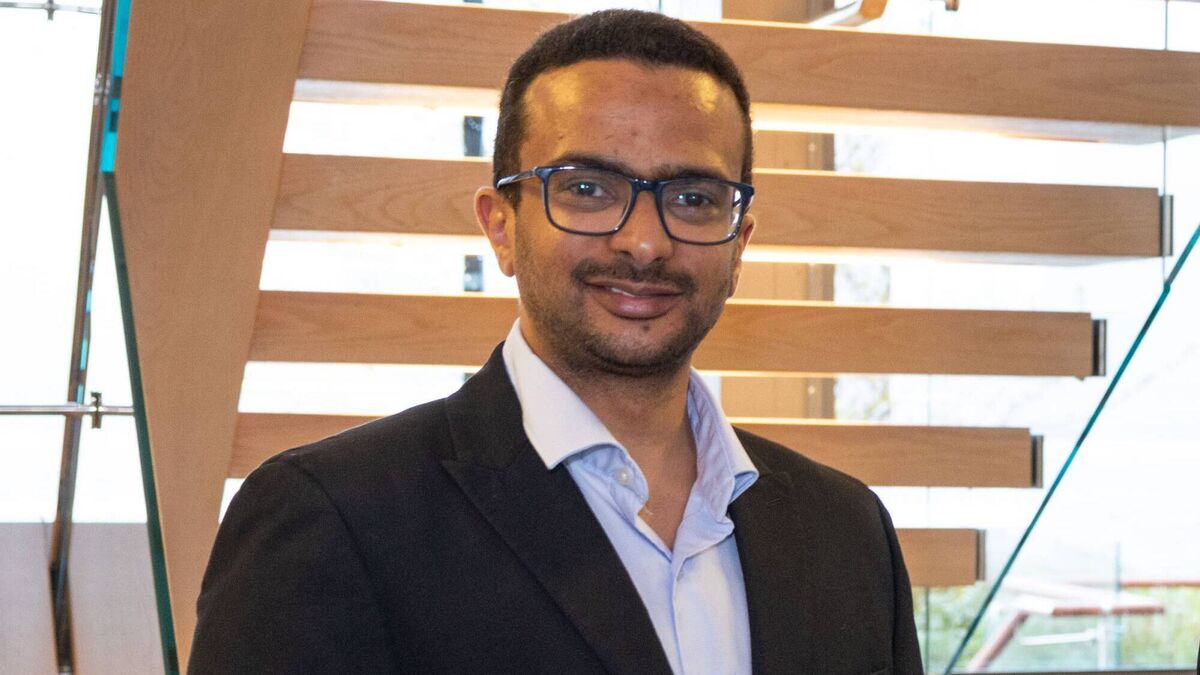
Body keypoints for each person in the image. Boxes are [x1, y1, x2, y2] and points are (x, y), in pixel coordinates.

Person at [189, 9, 923, 674]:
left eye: (693, 198)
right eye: (588, 188)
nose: (644, 242)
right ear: (500, 226)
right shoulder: (335, 518)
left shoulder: (847, 531)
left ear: (740, 247)